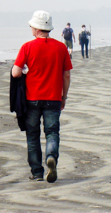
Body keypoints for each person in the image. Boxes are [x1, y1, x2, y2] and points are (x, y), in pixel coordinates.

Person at [12, 11, 72, 183]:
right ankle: (51, 156)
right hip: (53, 97)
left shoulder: (27, 47)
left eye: (31, 25)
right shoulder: (61, 48)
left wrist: (20, 70)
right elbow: (66, 75)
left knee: (32, 135)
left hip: (32, 98)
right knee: (52, 132)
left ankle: (37, 172)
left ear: (37, 28)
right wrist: (64, 97)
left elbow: (16, 73)